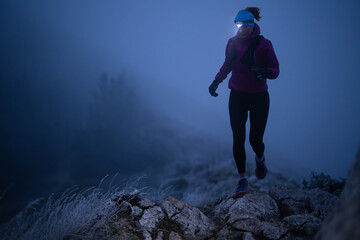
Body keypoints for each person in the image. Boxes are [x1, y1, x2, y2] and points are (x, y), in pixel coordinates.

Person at [208, 7, 279, 194]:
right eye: (236, 25)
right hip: (237, 96)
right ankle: (242, 180)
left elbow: (275, 68)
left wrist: (266, 72)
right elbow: (227, 64)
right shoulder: (232, 43)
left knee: (255, 139)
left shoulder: (264, 45)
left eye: (242, 26)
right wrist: (216, 81)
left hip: (259, 98)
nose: (239, 29)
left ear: (251, 25)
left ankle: (260, 159)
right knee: (238, 138)